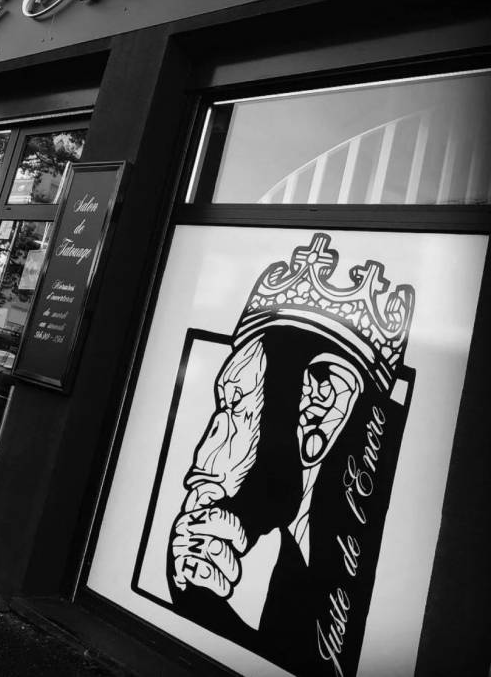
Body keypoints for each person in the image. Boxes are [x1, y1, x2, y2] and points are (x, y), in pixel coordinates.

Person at [167, 234, 415, 676]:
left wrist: (198, 603)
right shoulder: (308, 560)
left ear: (320, 413)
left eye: (234, 407)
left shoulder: (368, 583)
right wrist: (196, 598)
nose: (204, 452)